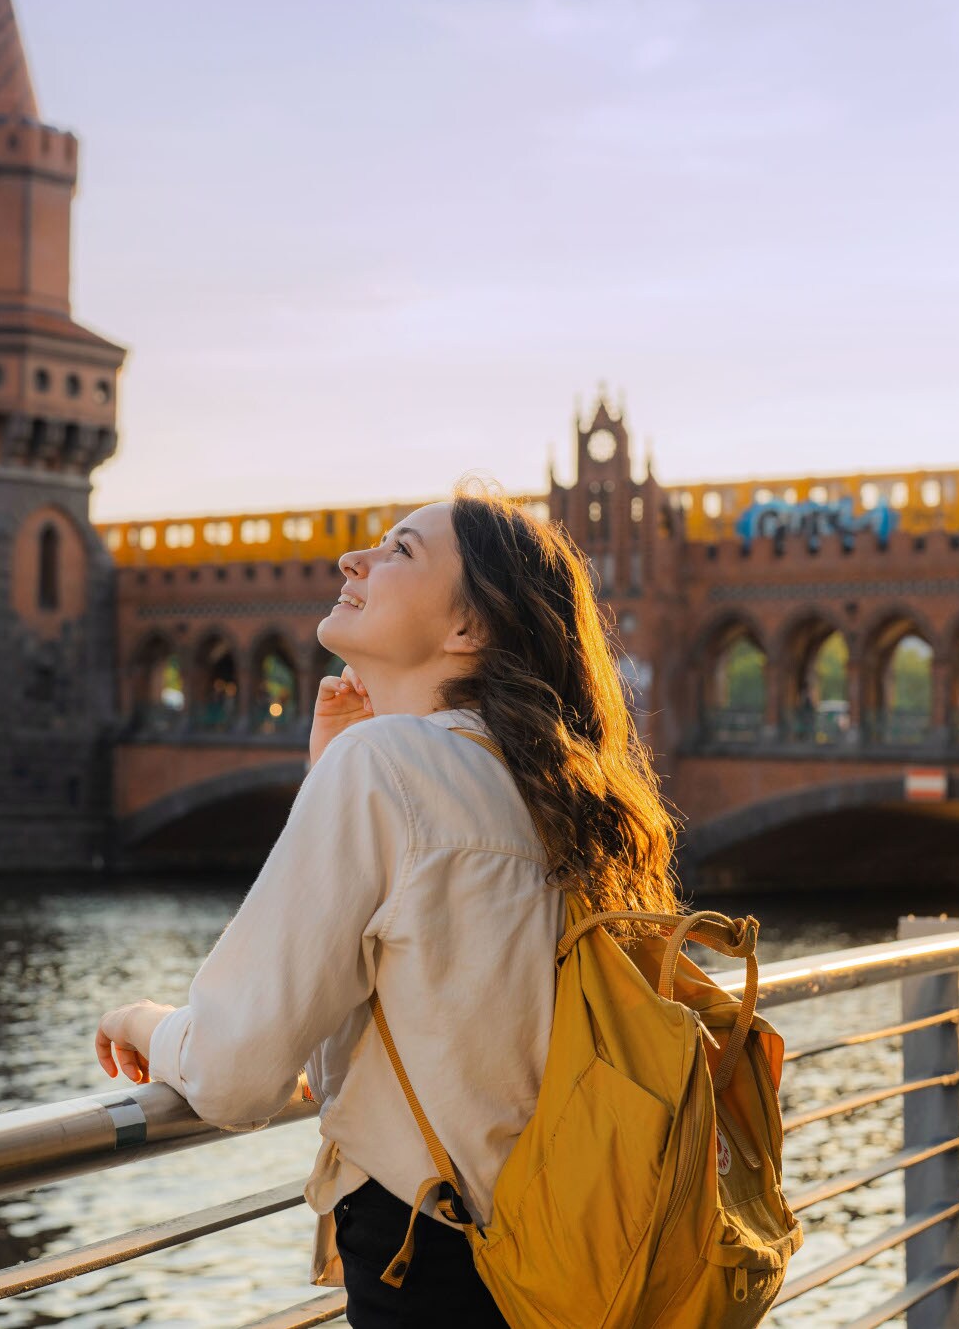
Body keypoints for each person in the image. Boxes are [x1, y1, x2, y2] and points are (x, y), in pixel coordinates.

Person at [93, 489, 680, 1327]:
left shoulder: (383, 767)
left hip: (440, 1263)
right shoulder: (562, 786)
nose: (353, 561)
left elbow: (235, 1071)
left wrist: (147, 1022)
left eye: (400, 551)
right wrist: (327, 775)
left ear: (467, 630)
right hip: (584, 1249)